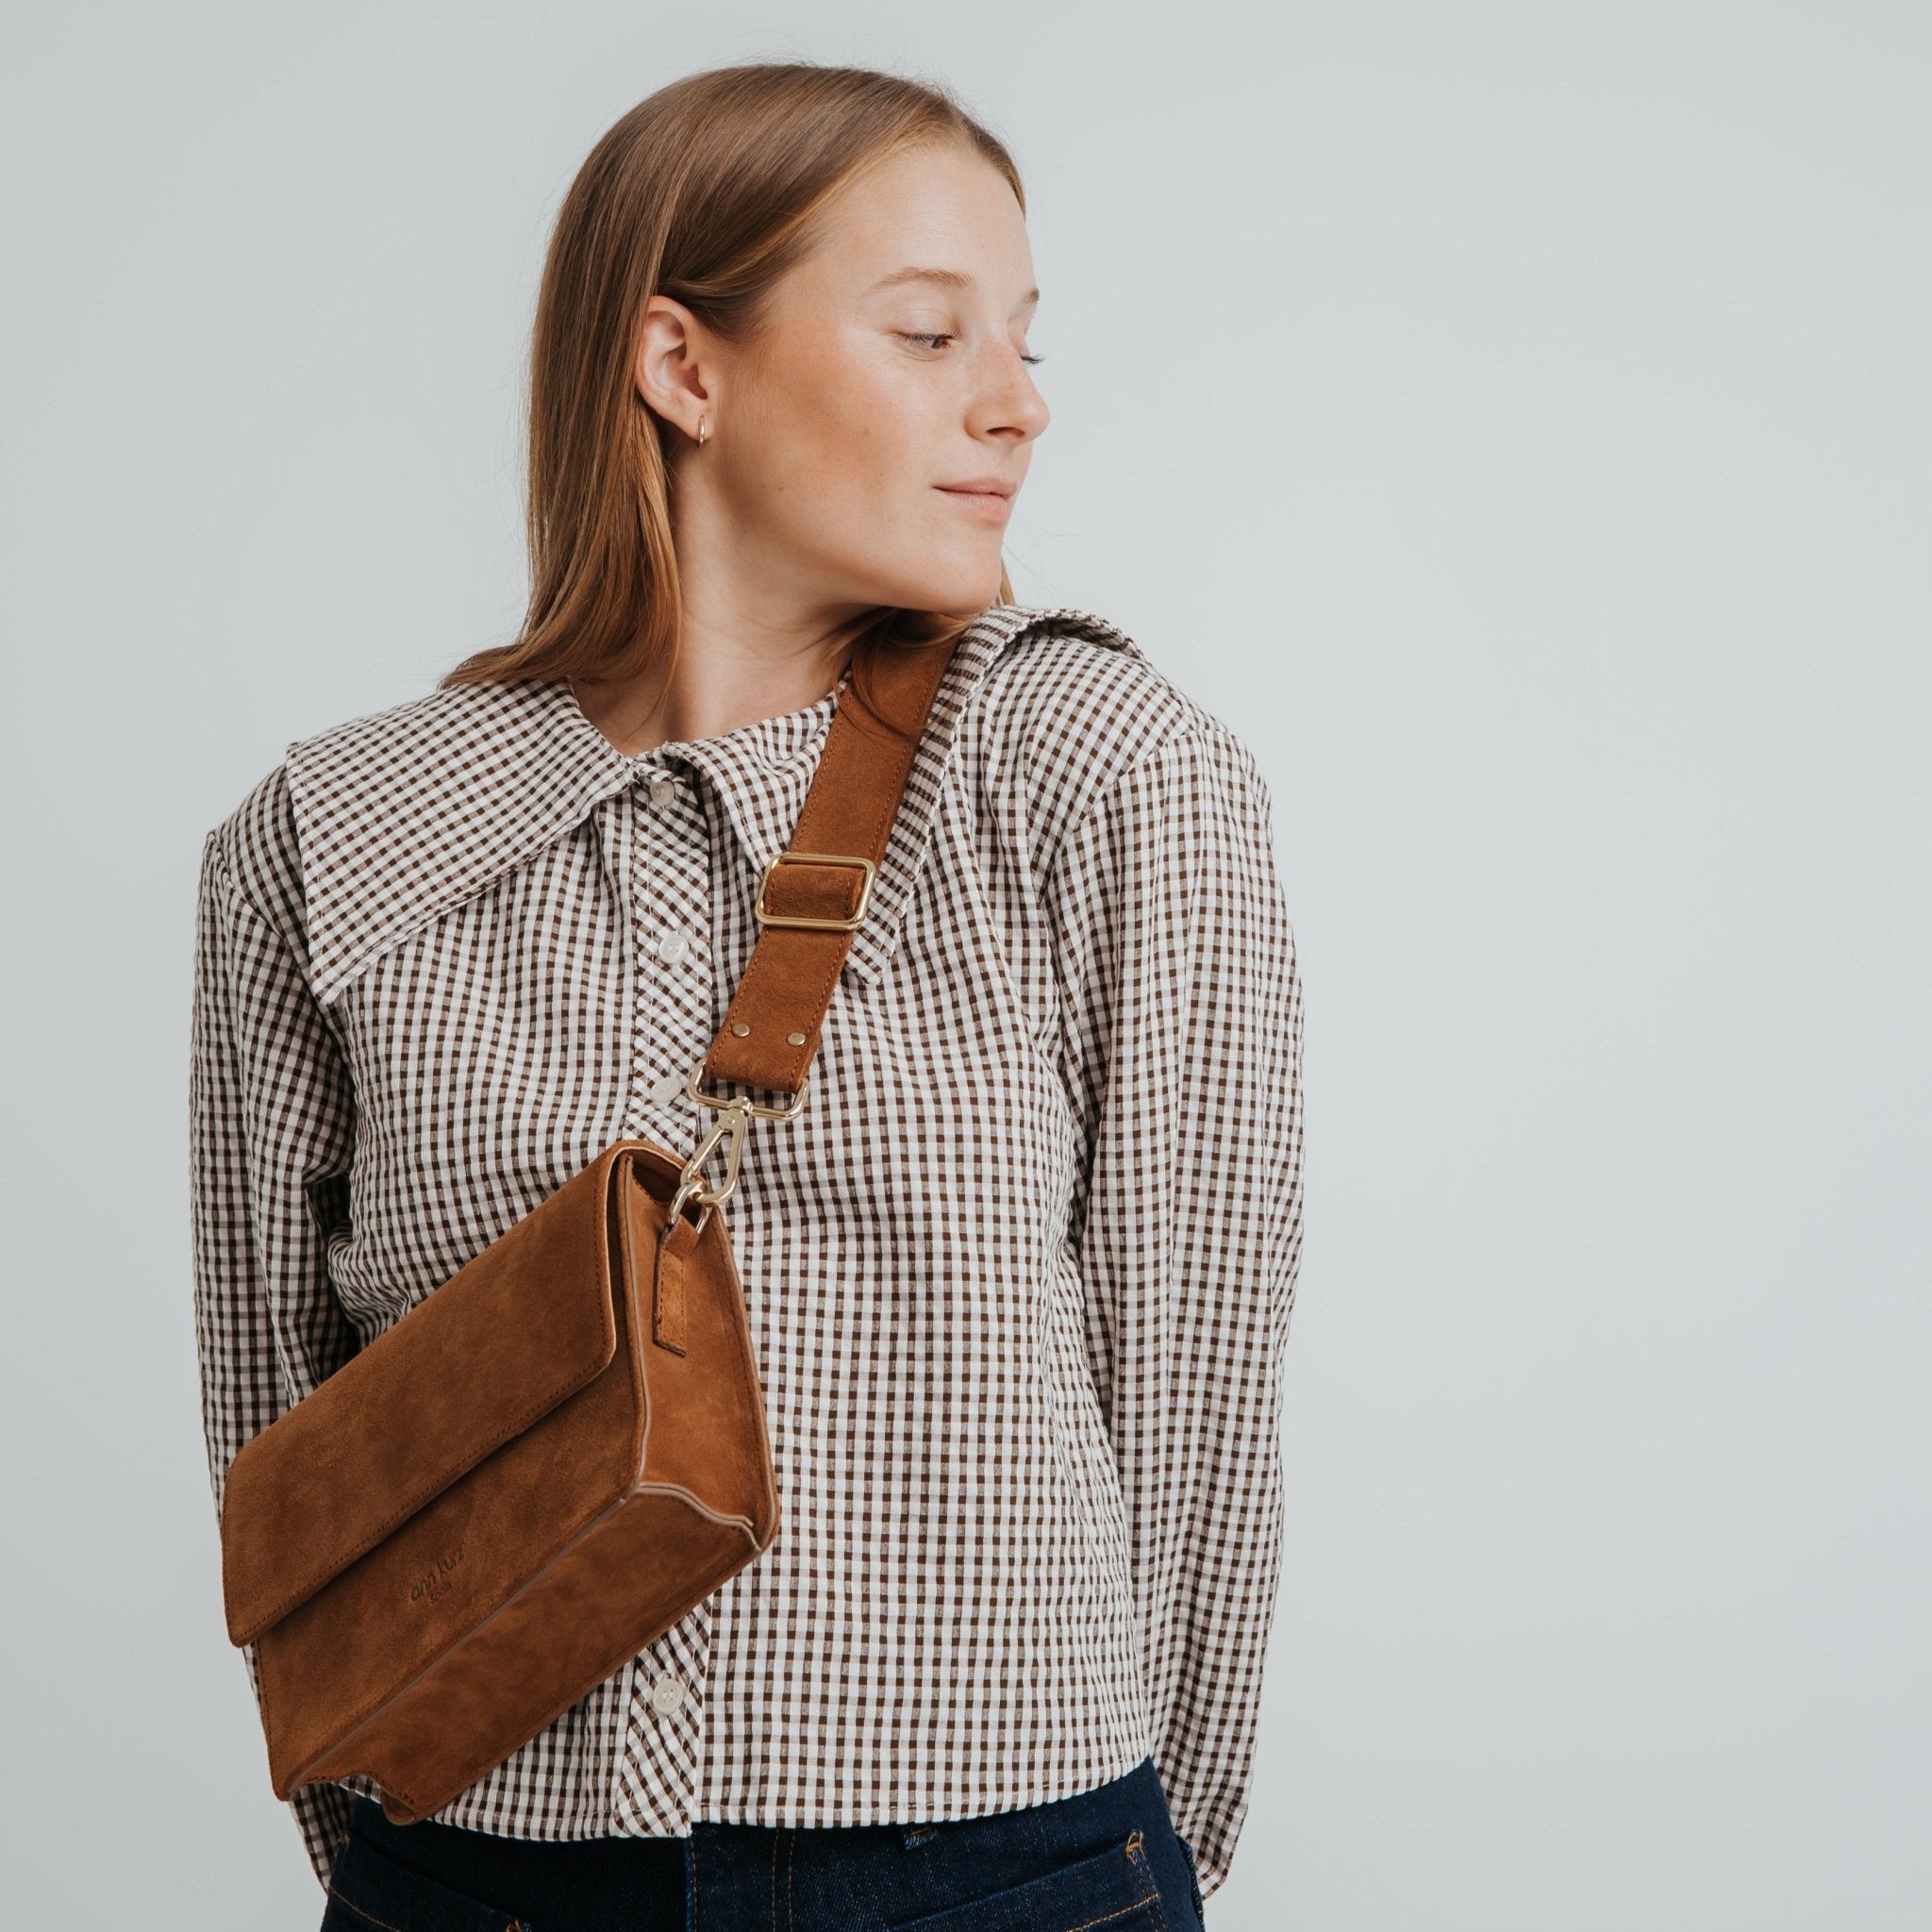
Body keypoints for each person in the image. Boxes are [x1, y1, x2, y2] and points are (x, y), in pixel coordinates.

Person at [189, 59, 1305, 1932]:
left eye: (1022, 339)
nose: (1016, 407)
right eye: (932, 332)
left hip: (1015, 1867)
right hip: (469, 1880)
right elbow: (283, 1429)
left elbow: (1189, 1399)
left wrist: (1118, 1859)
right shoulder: (326, 835)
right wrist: (405, 1844)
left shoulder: (1102, 773)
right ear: (680, 367)